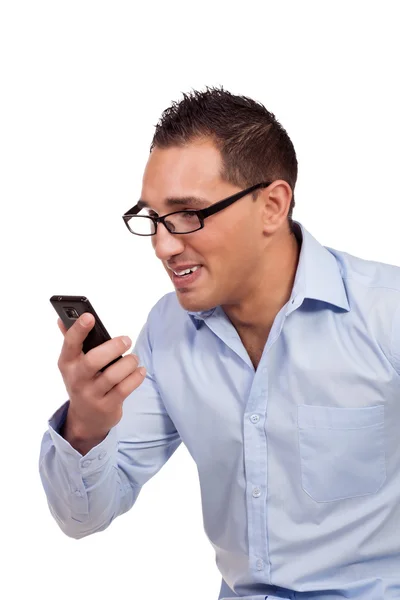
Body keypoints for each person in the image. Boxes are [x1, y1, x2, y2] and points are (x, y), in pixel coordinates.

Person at [39, 87, 400, 600]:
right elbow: (83, 518)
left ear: (272, 205)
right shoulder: (168, 330)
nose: (163, 245)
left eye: (189, 214)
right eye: (154, 218)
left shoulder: (388, 315)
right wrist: (85, 428)